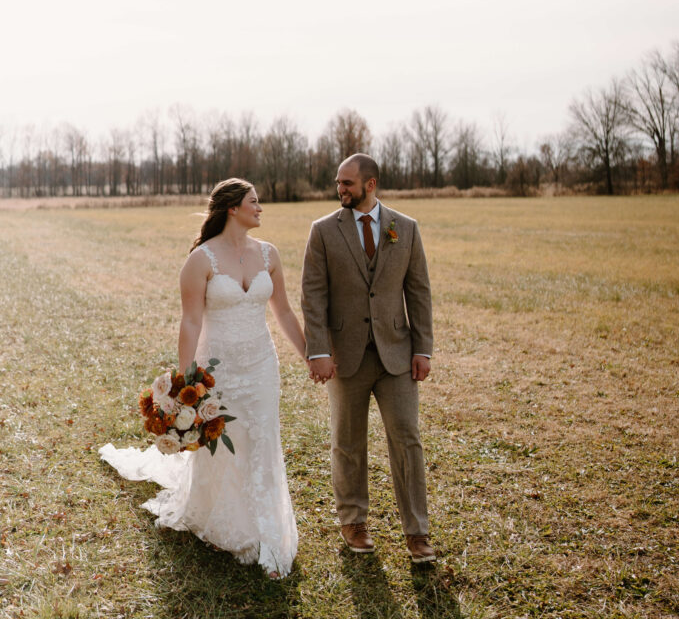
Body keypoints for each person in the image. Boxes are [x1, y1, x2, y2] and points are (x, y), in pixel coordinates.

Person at [100, 178, 306, 578]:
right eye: (254, 202)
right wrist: (186, 384)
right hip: (219, 369)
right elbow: (191, 321)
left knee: (263, 439)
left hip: (262, 365)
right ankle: (221, 520)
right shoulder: (201, 260)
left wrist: (311, 357)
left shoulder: (269, 254)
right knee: (224, 448)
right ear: (232, 208)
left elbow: (283, 312)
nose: (260, 208)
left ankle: (267, 528)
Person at [301, 153, 436, 562]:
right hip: (346, 356)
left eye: (347, 183)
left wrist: (423, 348)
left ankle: (417, 532)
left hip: (397, 354)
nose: (340, 189)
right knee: (347, 442)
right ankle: (354, 521)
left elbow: (419, 292)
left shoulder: (405, 228)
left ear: (370, 184)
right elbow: (313, 295)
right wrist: (319, 351)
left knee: (407, 440)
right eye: (338, 183)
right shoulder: (323, 231)